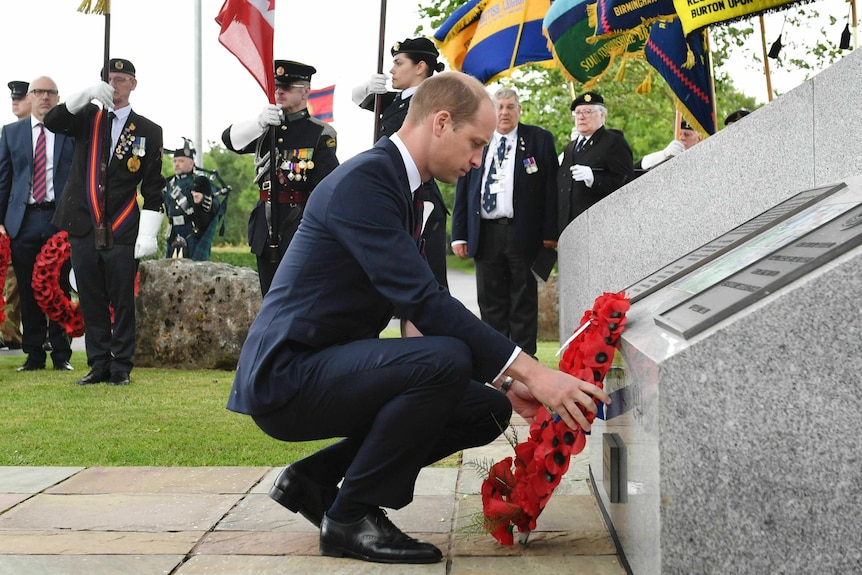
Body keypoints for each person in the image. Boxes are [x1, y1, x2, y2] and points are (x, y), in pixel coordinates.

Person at [228, 71, 610, 565]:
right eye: (475, 144)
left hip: (326, 363)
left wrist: (505, 381)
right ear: (441, 122)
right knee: (444, 360)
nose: (477, 161)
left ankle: (315, 480)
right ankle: (350, 518)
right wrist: (534, 372)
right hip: (287, 375)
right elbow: (425, 302)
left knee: (486, 408)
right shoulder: (365, 181)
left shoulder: (407, 187)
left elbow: (421, 307)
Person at [45, 58, 165, 386]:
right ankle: (98, 363)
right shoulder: (87, 119)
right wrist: (86, 94)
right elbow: (53, 120)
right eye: (111, 79)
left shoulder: (148, 131)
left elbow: (154, 187)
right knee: (90, 295)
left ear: (134, 84)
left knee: (123, 299)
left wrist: (148, 234)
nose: (117, 85)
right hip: (83, 223)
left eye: (124, 79)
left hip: (122, 225)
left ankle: (121, 365)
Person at [451, 88, 558, 356]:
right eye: (499, 107)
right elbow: (464, 188)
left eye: (510, 107)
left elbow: (550, 190)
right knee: (490, 301)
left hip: (523, 232)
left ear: (519, 110)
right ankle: (496, 360)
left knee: (523, 299)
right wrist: (459, 234)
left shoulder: (539, 140)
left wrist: (550, 232)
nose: (504, 112)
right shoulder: (477, 139)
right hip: (485, 232)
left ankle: (526, 362)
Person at [222, 60, 338, 295]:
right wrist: (259, 122)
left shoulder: (319, 134)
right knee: (269, 295)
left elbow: (325, 189)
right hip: (265, 225)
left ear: (305, 91)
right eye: (276, 87)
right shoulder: (265, 129)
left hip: (299, 224)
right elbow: (229, 140)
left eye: (287, 87)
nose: (279, 92)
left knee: (296, 296)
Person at [351, 37, 449, 287]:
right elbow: (356, 98)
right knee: (399, 286)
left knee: (426, 284)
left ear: (420, 67)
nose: (392, 70)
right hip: (393, 195)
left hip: (419, 199)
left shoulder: (432, 103)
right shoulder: (397, 101)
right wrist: (367, 87)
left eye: (398, 62)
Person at [0, 76, 75, 371]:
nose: (45, 97)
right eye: (39, 92)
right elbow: (3, 180)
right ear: (30, 97)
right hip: (24, 219)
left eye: (51, 93)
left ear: (57, 98)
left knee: (58, 286)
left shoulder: (69, 132)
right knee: (29, 289)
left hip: (59, 219)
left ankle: (60, 354)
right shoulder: (11, 133)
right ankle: (33, 354)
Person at [557, 91, 634, 236]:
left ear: (602, 115)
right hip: (569, 228)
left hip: (598, 227)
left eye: (587, 111)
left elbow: (627, 184)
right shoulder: (571, 147)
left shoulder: (613, 142)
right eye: (577, 112)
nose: (581, 116)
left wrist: (594, 179)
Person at [0, 80, 31, 351]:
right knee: (11, 281)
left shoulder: (46, 131)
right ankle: (10, 333)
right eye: (13, 99)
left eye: (20, 98)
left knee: (46, 278)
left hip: (41, 217)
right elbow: (5, 180)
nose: (14, 102)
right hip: (13, 221)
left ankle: (49, 334)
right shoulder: (9, 134)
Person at [163, 140, 220, 260]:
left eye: (181, 161)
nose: (177, 164)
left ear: (191, 164)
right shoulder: (168, 184)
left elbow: (216, 206)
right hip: (173, 232)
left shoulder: (200, 182)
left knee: (196, 272)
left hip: (192, 233)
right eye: (175, 161)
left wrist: (203, 200)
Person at [634, 119, 701, 173]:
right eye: (679, 134)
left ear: (699, 139)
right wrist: (664, 154)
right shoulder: (667, 158)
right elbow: (636, 170)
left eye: (687, 135)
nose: (682, 138)